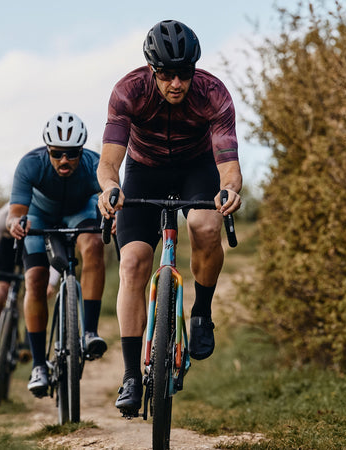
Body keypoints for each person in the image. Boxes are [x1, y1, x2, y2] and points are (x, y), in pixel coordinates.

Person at [96, 20, 243, 415]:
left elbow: (229, 165)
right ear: (152, 69)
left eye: (184, 73)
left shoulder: (213, 93)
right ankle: (131, 375)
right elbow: (109, 162)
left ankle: (202, 313)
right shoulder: (128, 91)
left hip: (196, 168)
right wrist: (109, 188)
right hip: (144, 171)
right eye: (166, 74)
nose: (176, 83)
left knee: (204, 224)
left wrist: (229, 190)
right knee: (132, 262)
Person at [7, 112, 108, 398]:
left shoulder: (95, 164)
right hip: (39, 216)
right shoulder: (31, 164)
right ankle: (39, 365)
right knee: (36, 279)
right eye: (57, 153)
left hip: (80, 211)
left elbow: (113, 199)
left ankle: (89, 332)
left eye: (72, 153)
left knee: (94, 244)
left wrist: (114, 218)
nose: (64, 160)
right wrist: (15, 223)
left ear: (81, 151)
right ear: (47, 149)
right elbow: (15, 212)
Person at [0, 202, 59, 373]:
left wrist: (50, 283)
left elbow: (53, 251)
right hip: (6, 249)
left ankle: (28, 341)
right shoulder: (2, 215)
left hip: (32, 242)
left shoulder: (42, 209)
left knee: (35, 287)